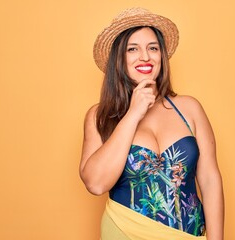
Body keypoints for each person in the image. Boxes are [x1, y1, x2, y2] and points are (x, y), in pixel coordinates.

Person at [80, 7, 224, 240]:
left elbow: (209, 180)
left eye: (153, 48)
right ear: (120, 58)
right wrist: (133, 114)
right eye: (133, 49)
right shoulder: (100, 115)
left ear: (161, 56)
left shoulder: (190, 108)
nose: (145, 57)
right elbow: (96, 184)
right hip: (126, 232)